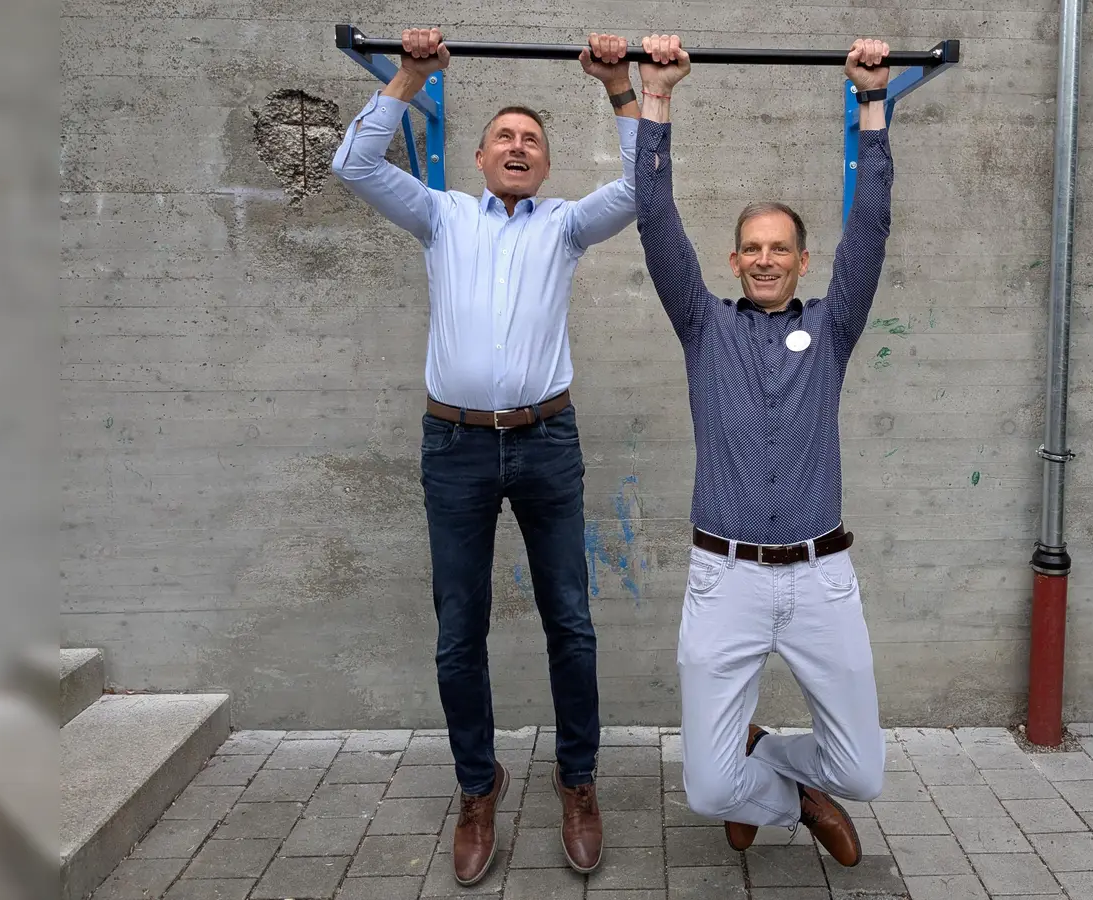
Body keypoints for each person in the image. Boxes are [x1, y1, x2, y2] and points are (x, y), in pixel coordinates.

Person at [329, 26, 641, 884]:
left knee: (570, 626)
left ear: (543, 164)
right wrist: (406, 77)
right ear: (476, 156)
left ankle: (578, 782)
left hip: (548, 444)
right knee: (457, 633)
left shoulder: (568, 227)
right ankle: (479, 785)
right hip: (455, 447)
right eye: (503, 136)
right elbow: (352, 168)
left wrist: (620, 89)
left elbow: (648, 188)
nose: (516, 146)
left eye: (531, 140)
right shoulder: (441, 216)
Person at [630, 34, 894, 865]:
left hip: (822, 579)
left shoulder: (834, 326)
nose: (767, 259)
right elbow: (654, 216)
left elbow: (873, 225)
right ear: (735, 259)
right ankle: (784, 799)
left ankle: (767, 762)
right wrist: (657, 99)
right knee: (706, 791)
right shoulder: (703, 326)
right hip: (727, 578)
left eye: (783, 247)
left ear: (802, 259)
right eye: (754, 248)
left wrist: (873, 104)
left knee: (866, 772)